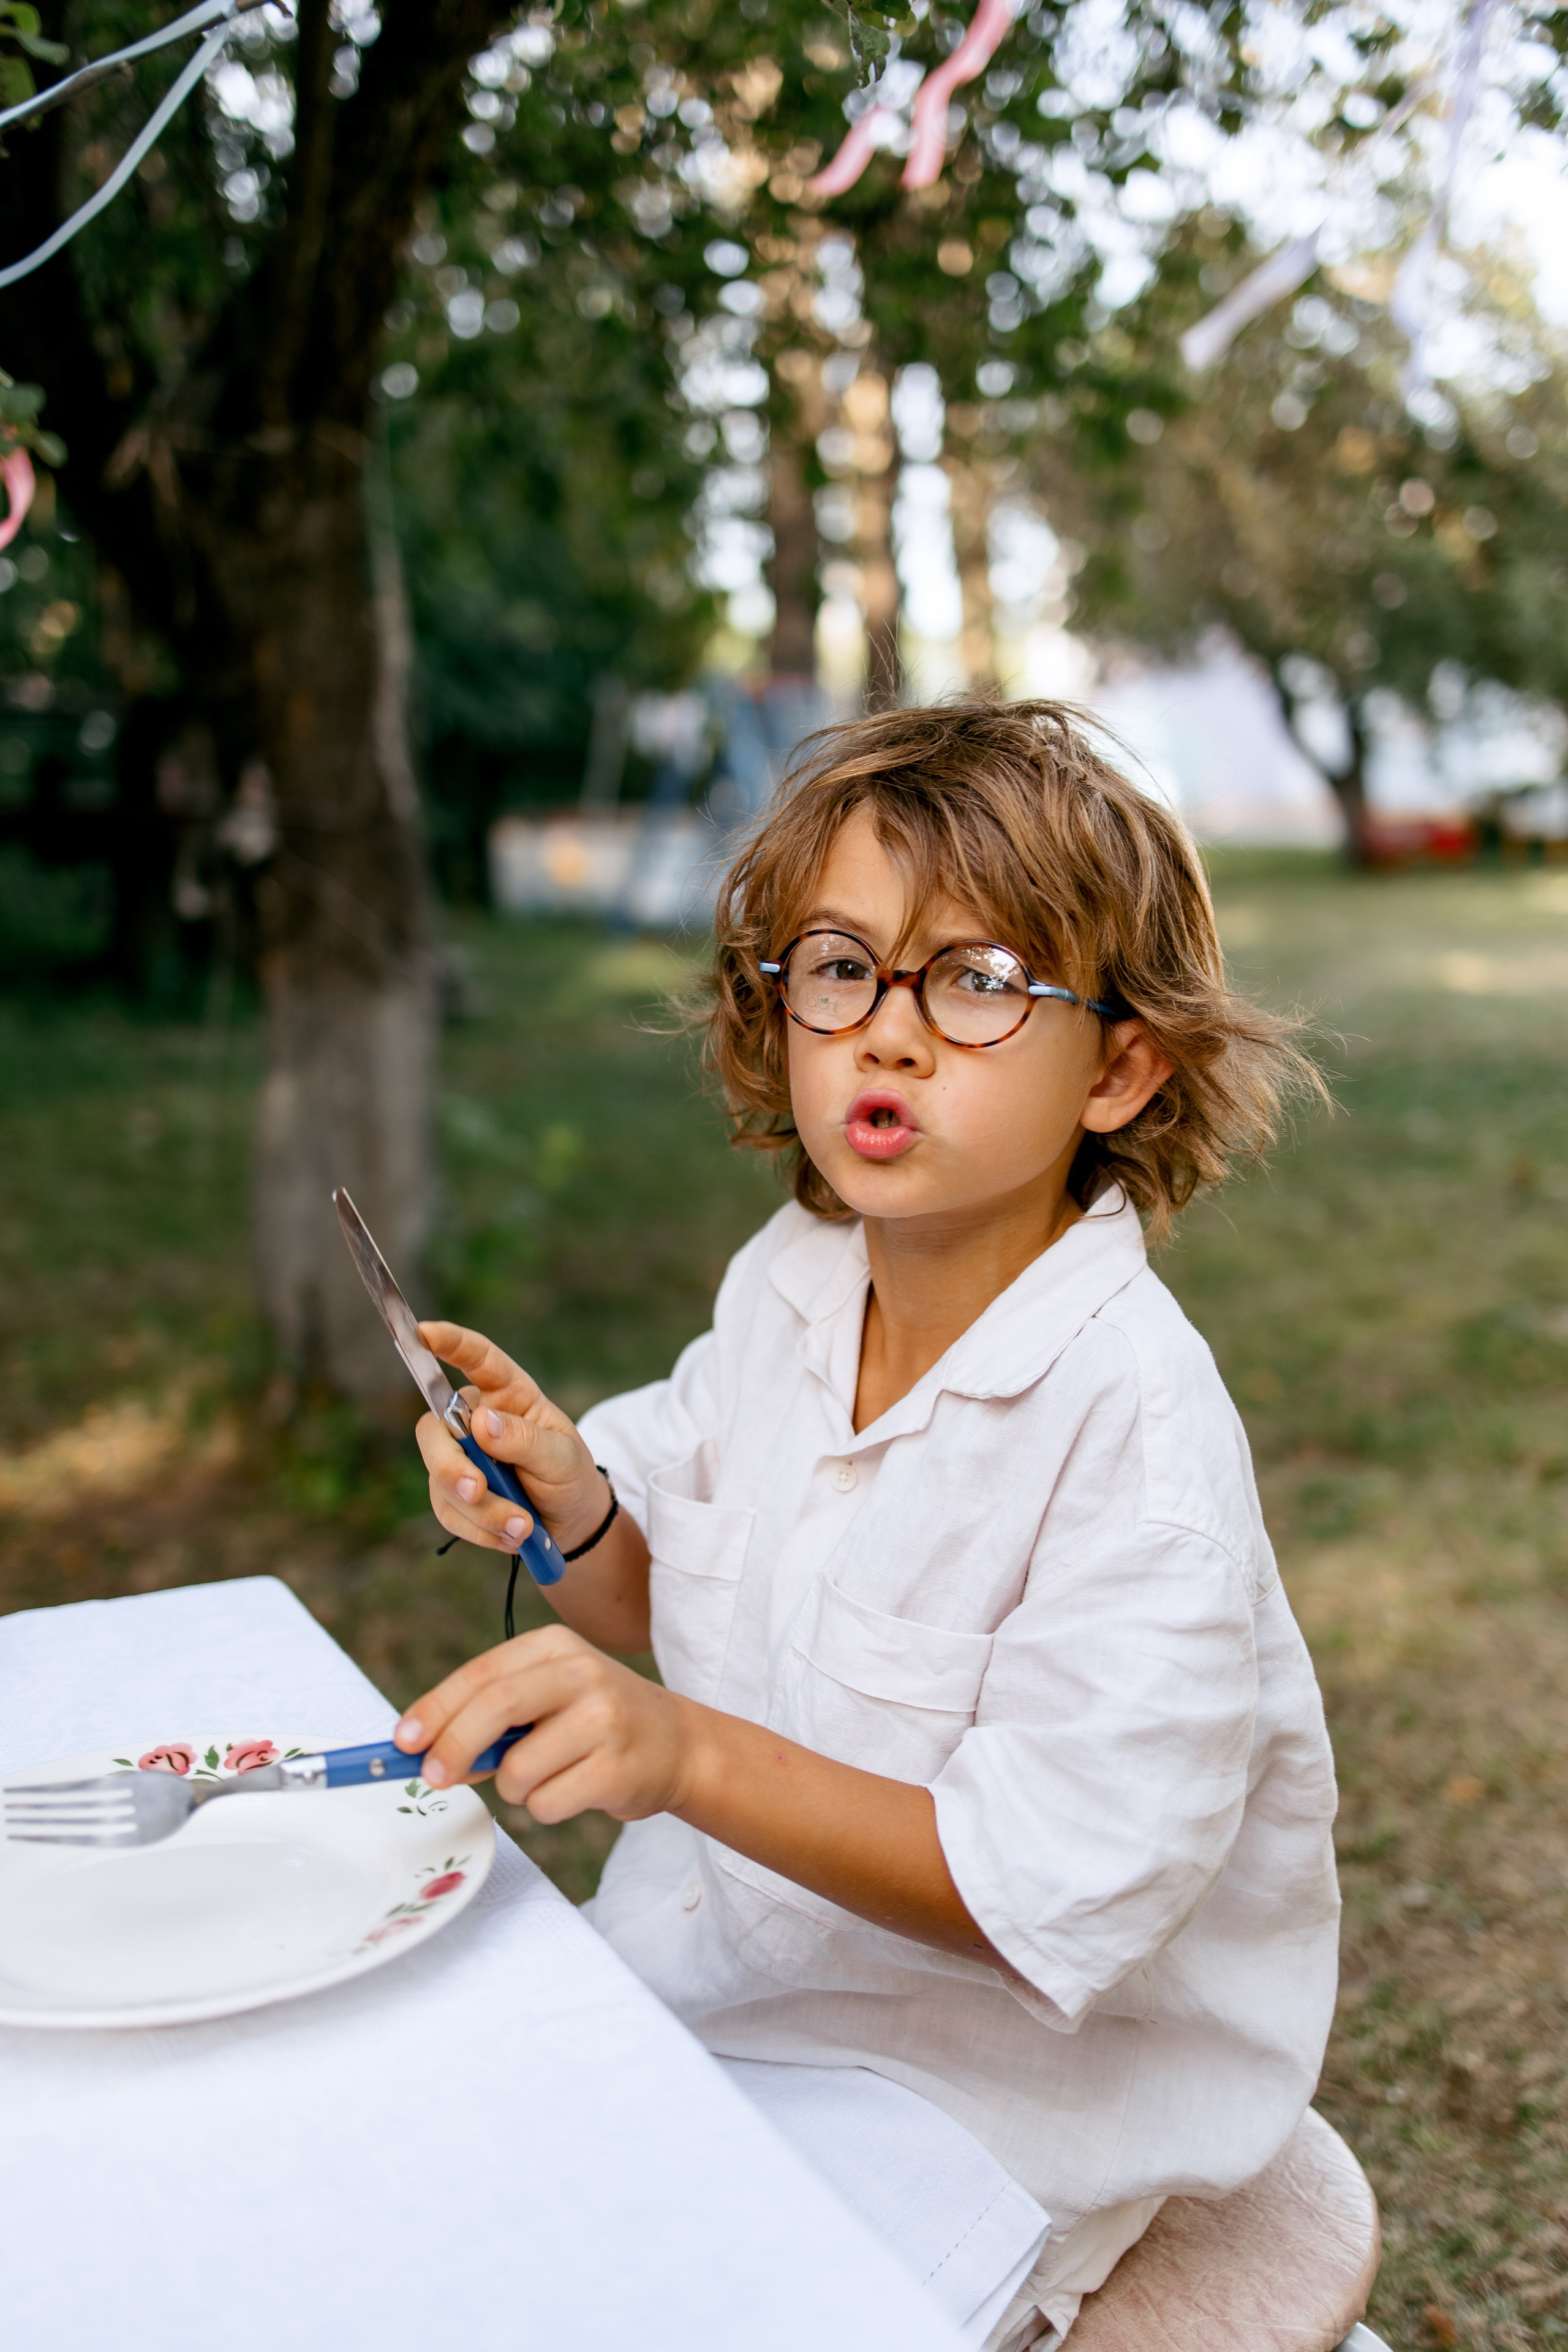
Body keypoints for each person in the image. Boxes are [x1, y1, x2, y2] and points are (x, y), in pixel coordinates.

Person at [395, 701, 1341, 2349]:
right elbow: (648, 1590)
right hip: (708, 1986)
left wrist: (679, 1756)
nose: (885, 1036)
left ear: (1120, 1065)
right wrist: (564, 1498)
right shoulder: (790, 1287)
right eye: (841, 968)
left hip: (983, 2097)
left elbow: (1028, 1889)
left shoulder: (1134, 1437)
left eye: (978, 982)